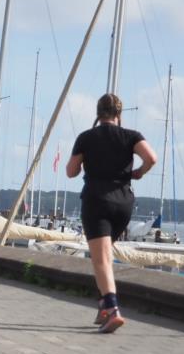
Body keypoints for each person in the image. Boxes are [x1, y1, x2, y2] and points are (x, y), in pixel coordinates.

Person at [66, 93, 157, 334]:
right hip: (124, 203)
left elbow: (71, 171)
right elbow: (151, 158)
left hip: (97, 200)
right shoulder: (131, 136)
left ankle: (113, 310)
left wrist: (86, 160)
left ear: (98, 113)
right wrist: (139, 172)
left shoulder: (86, 137)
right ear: (119, 114)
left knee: (101, 259)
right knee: (104, 257)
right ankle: (103, 308)